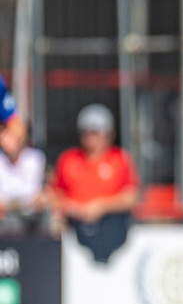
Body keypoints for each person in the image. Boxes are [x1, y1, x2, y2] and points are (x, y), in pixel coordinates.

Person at [50, 104, 139, 263]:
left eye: (97, 133)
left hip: (112, 228)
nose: (92, 138)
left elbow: (131, 197)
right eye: (87, 133)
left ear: (109, 134)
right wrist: (74, 208)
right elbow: (54, 194)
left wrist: (100, 207)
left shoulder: (119, 159)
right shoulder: (68, 159)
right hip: (74, 228)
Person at [0, 120, 49, 235]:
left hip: (34, 215)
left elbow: (35, 195)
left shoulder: (35, 158)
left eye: (12, 136)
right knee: (11, 222)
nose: (7, 141)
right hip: (8, 218)